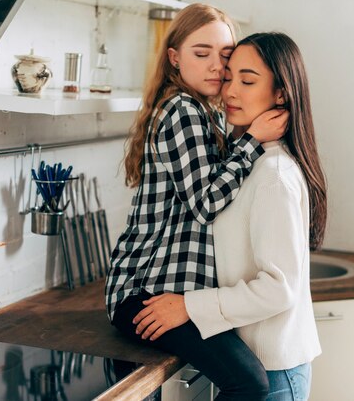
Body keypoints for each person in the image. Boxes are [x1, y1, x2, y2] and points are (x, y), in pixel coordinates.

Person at [104, 3, 289, 401]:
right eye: (201, 54)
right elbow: (206, 203)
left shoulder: (208, 112)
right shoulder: (181, 109)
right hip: (144, 293)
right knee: (250, 384)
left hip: (168, 292)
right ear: (174, 58)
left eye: (226, 56)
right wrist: (253, 140)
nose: (216, 67)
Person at [133, 32, 327, 401]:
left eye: (248, 80)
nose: (230, 91)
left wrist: (188, 306)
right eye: (228, 78)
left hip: (274, 375)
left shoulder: (273, 175)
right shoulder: (248, 160)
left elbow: (278, 288)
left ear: (281, 94)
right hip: (260, 365)